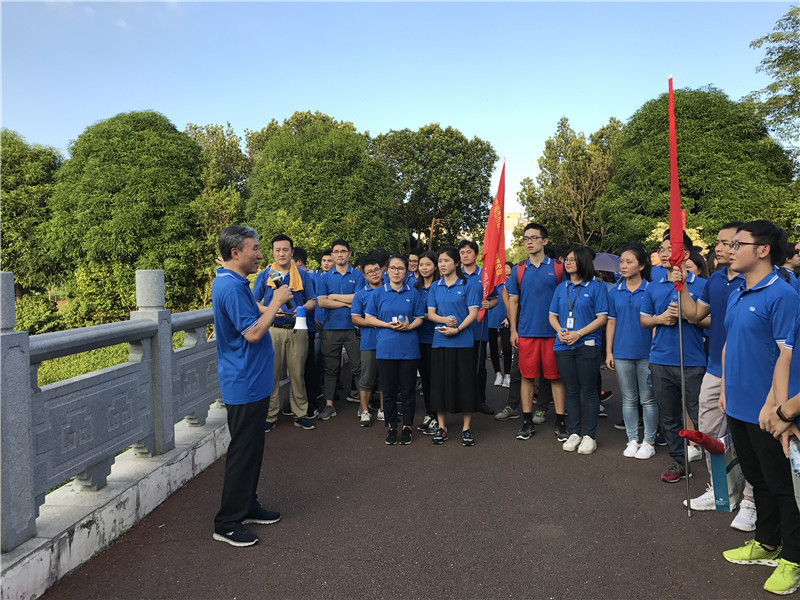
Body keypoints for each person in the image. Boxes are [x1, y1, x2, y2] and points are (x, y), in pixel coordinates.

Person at [718, 220, 800, 596]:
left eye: (738, 244)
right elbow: (730, 343)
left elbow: (788, 356)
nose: (729, 249)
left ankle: (793, 559)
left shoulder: (783, 296)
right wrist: (725, 388)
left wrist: (780, 409)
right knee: (758, 479)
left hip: (770, 413)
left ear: (763, 250)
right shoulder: (739, 292)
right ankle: (768, 543)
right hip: (738, 405)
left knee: (784, 487)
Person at [211, 225, 292, 547]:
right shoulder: (230, 287)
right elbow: (254, 333)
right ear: (235, 253)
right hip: (243, 381)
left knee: (253, 449)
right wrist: (275, 301)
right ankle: (227, 522)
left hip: (253, 380)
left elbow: (250, 316)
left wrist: (271, 307)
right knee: (243, 452)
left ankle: (248, 504)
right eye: (255, 249)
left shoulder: (233, 280)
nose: (261, 255)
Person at [674, 221, 758, 531]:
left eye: (727, 243)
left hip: (749, 372)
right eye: (718, 242)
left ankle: (751, 500)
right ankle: (722, 491)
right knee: (708, 432)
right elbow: (694, 315)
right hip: (715, 367)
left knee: (749, 438)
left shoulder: (757, 281)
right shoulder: (716, 280)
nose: (719, 248)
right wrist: (682, 287)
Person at [640, 231, 707, 483]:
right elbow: (644, 320)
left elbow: (713, 321)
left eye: (671, 249)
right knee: (669, 417)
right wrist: (662, 318)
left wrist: (689, 315)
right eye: (662, 249)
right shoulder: (654, 285)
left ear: (685, 254)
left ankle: (718, 469)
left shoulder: (702, 285)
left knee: (701, 416)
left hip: (692, 361)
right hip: (661, 360)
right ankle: (679, 461)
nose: (665, 253)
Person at [505, 223, 567, 441]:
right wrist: (513, 330)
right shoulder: (519, 269)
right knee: (527, 377)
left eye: (533, 237)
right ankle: (526, 421)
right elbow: (513, 301)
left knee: (556, 378)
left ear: (545, 241)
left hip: (554, 334)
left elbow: (566, 299)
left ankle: (560, 422)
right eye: (525, 238)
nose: (529, 242)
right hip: (526, 332)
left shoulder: (559, 268)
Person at [253, 235, 317, 432]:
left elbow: (313, 301)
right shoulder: (265, 275)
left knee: (298, 373)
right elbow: (254, 303)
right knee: (271, 374)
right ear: (273, 252)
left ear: (292, 252)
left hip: (297, 328)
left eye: (285, 250)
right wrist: (271, 310)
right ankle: (270, 416)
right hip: (272, 330)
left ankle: (300, 414)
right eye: (278, 250)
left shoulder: (303, 275)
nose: (281, 253)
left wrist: (302, 309)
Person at [548, 246, 609, 454]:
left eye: (572, 259)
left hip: (587, 344)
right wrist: (560, 331)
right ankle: (574, 432)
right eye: (566, 259)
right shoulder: (561, 287)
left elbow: (602, 318)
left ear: (583, 261)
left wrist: (579, 333)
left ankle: (590, 436)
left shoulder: (596, 287)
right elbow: (552, 315)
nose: (567, 262)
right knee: (571, 390)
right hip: (563, 344)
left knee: (589, 391)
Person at [365, 254, 425, 444]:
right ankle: (391, 426)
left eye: (400, 268)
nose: (396, 272)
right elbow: (368, 318)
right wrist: (387, 324)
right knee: (389, 390)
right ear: (387, 270)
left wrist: (409, 326)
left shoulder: (413, 293)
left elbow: (420, 317)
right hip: (386, 348)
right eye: (393, 268)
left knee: (407, 391)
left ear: (406, 271)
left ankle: (407, 426)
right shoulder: (378, 293)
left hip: (409, 349)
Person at [606, 243, 658, 459]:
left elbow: (655, 324)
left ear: (641, 265)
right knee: (628, 399)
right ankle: (632, 439)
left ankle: (649, 441)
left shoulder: (651, 289)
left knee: (648, 400)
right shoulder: (614, 292)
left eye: (629, 262)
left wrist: (655, 352)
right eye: (621, 261)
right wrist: (608, 352)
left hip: (646, 353)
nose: (623, 266)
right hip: (621, 352)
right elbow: (611, 322)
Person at [427, 246, 481, 446]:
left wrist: (457, 329)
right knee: (439, 385)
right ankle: (442, 427)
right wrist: (444, 321)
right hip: (440, 342)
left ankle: (466, 428)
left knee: (465, 384)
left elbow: (473, 314)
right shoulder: (435, 286)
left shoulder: (468, 285)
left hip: (463, 342)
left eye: (446, 260)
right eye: (440, 261)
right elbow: (431, 314)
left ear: (456, 263)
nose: (442, 264)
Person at [316, 240, 366, 420]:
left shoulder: (358, 276)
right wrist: (347, 302)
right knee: (330, 369)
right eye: (336, 251)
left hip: (353, 328)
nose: (339, 255)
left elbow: (359, 299)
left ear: (349, 254)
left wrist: (334, 297)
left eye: (343, 251)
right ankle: (329, 405)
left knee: (358, 367)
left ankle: (363, 406)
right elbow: (322, 302)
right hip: (330, 329)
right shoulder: (324, 277)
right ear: (332, 254)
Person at [459, 239, 497, 415]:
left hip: (478, 328)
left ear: (476, 254)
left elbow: (495, 299)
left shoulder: (485, 275)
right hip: (459, 329)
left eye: (469, 252)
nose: (465, 255)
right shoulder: (455, 275)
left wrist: (490, 304)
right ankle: (462, 399)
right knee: (461, 366)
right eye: (462, 253)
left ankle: (480, 400)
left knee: (480, 366)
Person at [351, 256, 385, 427]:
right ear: (364, 276)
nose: (374, 273)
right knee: (367, 377)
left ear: (382, 270)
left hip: (388, 341)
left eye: (376, 270)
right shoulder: (361, 294)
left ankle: (383, 409)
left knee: (385, 378)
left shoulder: (390, 289)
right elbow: (355, 318)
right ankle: (364, 410)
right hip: (369, 341)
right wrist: (374, 323)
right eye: (370, 272)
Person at [292, 246, 323, 419]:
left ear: (297, 261)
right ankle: (300, 402)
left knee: (307, 365)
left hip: (307, 326)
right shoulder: (279, 275)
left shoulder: (307, 277)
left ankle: (311, 402)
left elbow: (314, 301)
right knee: (298, 367)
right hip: (294, 327)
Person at [414, 251, 440, 435]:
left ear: (435, 266)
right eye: (421, 264)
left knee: (435, 379)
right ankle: (429, 414)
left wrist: (421, 316)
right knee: (425, 378)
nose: (424, 268)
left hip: (436, 338)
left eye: (428, 264)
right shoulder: (414, 287)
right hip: (418, 338)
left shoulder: (439, 286)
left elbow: (440, 313)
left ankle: (438, 416)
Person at [488, 261, 513, 388]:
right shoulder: (489, 283)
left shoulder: (509, 282)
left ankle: (507, 374)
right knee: (493, 349)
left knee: (507, 349)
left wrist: (509, 317)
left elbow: (513, 301)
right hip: (491, 320)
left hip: (505, 320)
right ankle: (498, 373)